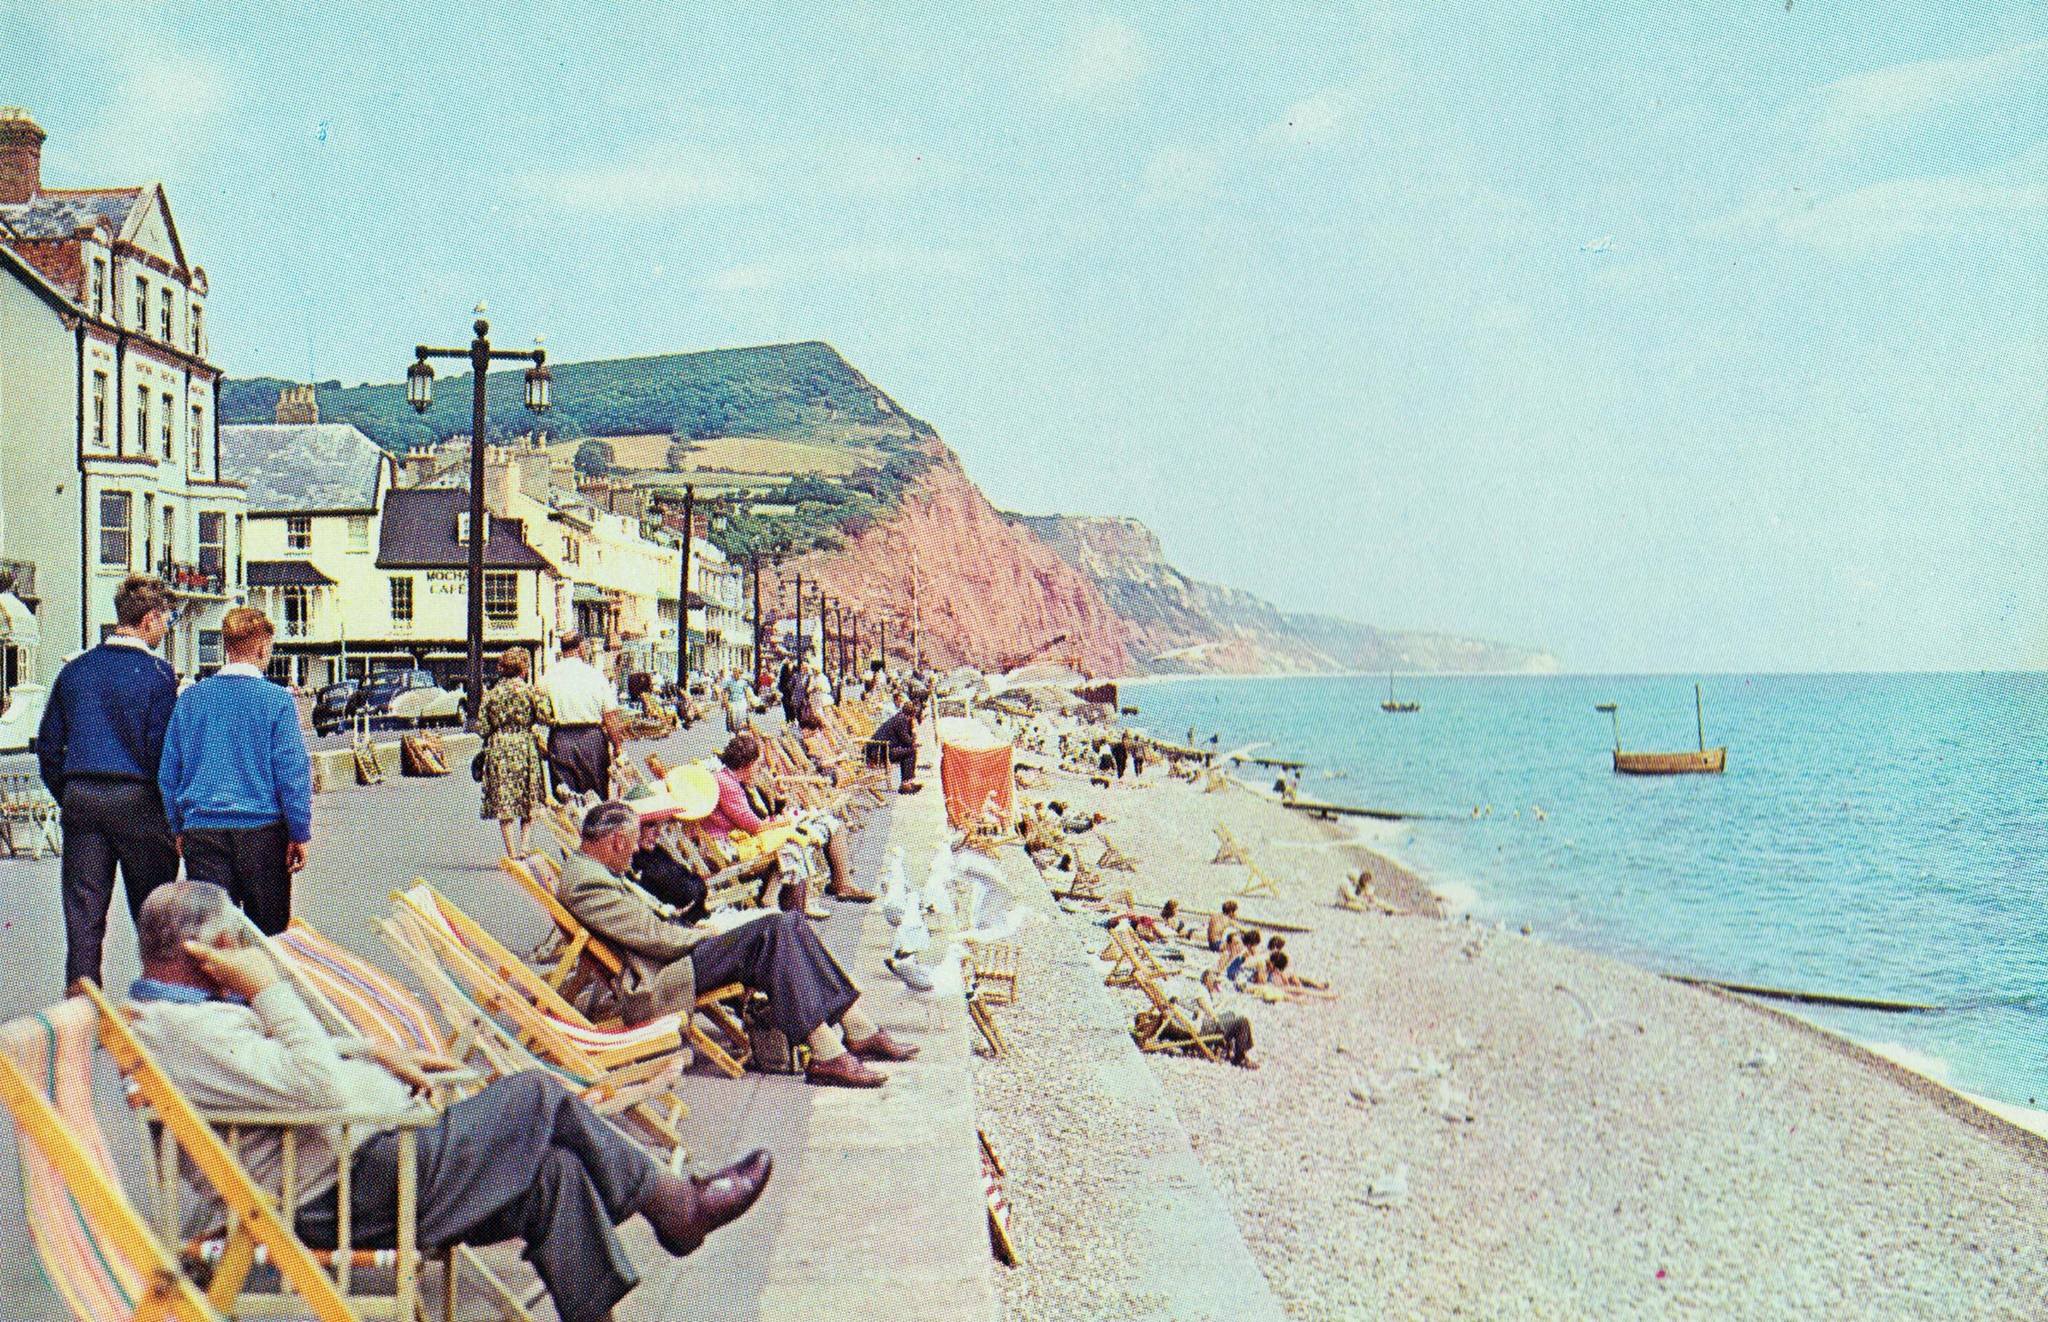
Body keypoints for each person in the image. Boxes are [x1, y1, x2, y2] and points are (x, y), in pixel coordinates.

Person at [126, 881, 769, 1322]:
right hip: (343, 1189)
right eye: (237, 945)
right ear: (202, 955)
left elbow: (283, 1075)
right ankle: (675, 1205)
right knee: (533, 1096)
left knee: (556, 1175)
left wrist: (370, 1049)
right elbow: (312, 1087)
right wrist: (268, 988)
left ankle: (620, 1286)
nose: (248, 956)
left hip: (369, 1163)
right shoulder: (185, 1034)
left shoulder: (191, 1018)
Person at [559, 802, 915, 1088]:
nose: (636, 849)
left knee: (788, 923)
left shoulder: (591, 872)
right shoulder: (587, 884)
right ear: (618, 842)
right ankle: (830, 1049)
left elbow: (650, 932)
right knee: (773, 930)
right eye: (634, 842)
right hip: (662, 975)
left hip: (669, 957)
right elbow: (654, 938)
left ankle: (854, 1030)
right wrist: (708, 933)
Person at [37, 574, 183, 987]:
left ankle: (83, 1006)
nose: (166, 629)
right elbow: (162, 754)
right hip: (139, 799)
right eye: (166, 621)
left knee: (83, 915)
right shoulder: (158, 675)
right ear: (150, 619)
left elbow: (49, 747)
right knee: (152, 911)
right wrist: (171, 816)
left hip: (82, 794)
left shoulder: (74, 672)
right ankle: (160, 1000)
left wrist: (68, 794)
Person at [158, 607, 312, 936]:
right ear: (261, 648)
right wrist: (299, 832)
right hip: (263, 833)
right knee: (267, 941)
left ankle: (217, 990)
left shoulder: (190, 700)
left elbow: (169, 772)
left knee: (212, 939)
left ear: (227, 647)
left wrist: (178, 826)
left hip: (203, 830)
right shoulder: (277, 701)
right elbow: (292, 772)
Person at [704, 734, 871, 902]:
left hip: (738, 839)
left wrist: (781, 810)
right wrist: (787, 821)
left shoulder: (730, 779)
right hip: (729, 847)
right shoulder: (728, 784)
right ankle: (801, 900)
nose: (759, 769)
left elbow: (755, 819)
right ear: (745, 765)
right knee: (797, 836)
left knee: (826, 825)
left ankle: (841, 883)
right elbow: (753, 825)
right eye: (757, 765)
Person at [478, 648, 550, 862]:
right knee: (529, 795)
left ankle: (511, 851)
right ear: (524, 668)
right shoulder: (531, 692)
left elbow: (482, 726)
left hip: (500, 746)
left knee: (505, 799)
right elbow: (546, 716)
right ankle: (524, 846)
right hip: (525, 744)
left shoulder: (492, 693)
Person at [538, 633, 621, 802]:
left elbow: (539, 712)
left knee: (566, 797)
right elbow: (610, 715)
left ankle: (572, 828)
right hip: (592, 739)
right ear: (581, 647)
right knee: (595, 795)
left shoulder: (547, 678)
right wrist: (618, 746)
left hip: (560, 739)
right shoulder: (596, 676)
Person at [632, 819, 708, 923]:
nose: (657, 832)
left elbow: (690, 878)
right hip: (680, 923)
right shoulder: (636, 867)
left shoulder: (657, 851)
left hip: (698, 913)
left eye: (659, 826)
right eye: (651, 825)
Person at [867, 698, 923, 794]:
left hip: (881, 749)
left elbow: (905, 741)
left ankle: (906, 783)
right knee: (911, 752)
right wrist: (913, 731)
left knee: (908, 751)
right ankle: (906, 784)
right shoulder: (901, 720)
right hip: (880, 752)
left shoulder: (898, 718)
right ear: (911, 715)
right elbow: (907, 741)